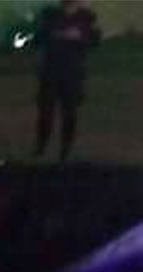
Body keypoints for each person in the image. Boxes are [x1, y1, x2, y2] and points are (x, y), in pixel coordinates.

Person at [33, 0, 100, 162]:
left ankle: (65, 148)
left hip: (72, 73)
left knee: (69, 113)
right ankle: (41, 145)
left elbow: (94, 41)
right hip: (51, 72)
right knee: (46, 112)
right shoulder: (50, 17)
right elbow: (39, 38)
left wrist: (79, 37)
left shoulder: (85, 19)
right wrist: (57, 35)